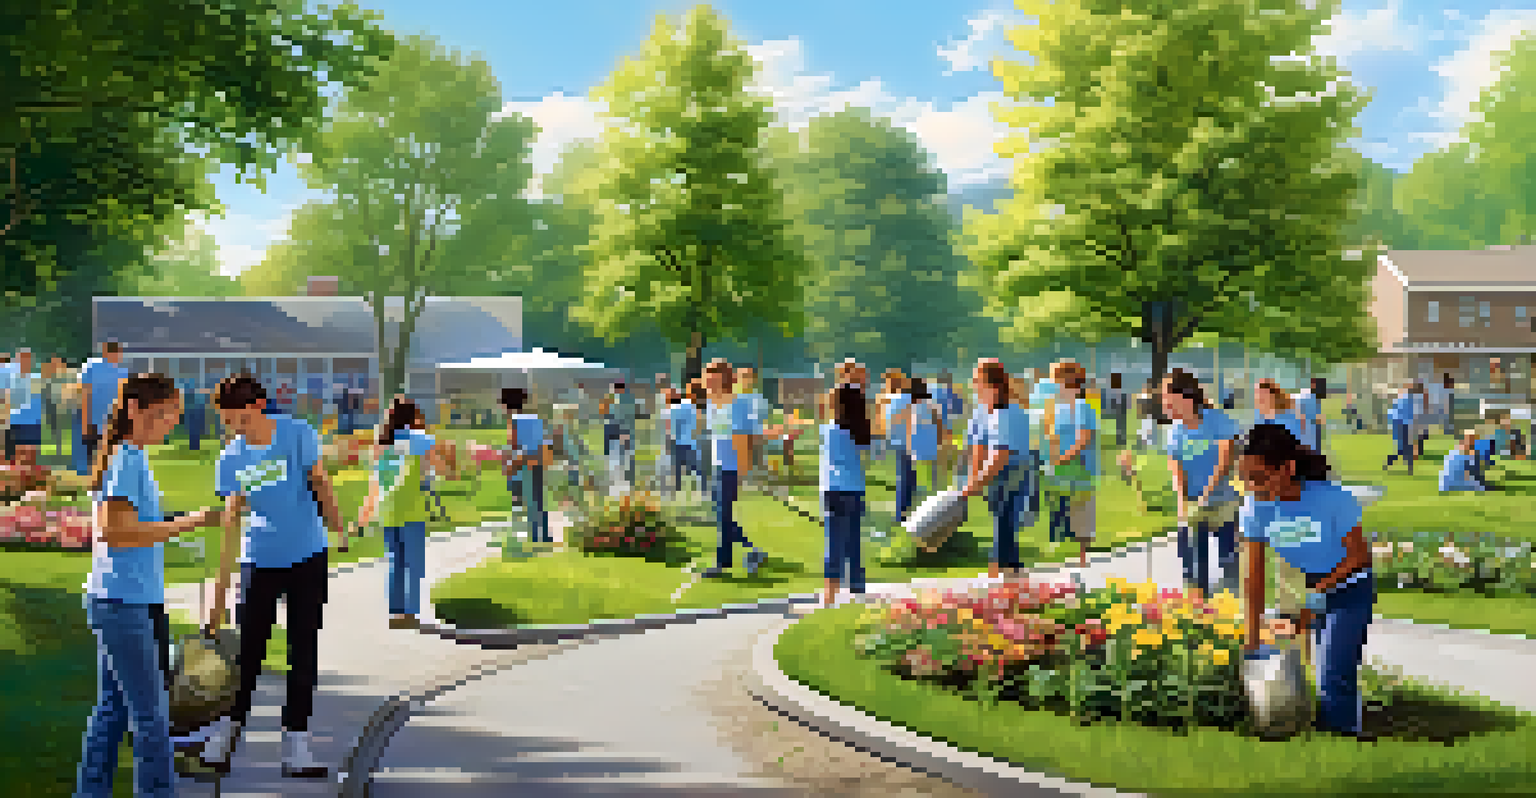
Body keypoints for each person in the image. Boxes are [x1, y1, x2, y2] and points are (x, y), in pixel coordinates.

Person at [77, 374, 221, 798]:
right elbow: (115, 532)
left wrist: (185, 520)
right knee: (152, 719)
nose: (171, 423)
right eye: (164, 414)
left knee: (112, 711)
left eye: (175, 414)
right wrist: (189, 523)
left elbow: (136, 523)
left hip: (123, 598)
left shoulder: (129, 456)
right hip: (125, 604)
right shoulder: (127, 461)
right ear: (135, 410)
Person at [199, 375, 347, 778]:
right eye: (229, 423)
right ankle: (225, 733)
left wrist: (338, 527)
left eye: (241, 421)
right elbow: (231, 517)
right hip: (259, 560)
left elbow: (320, 482)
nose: (236, 429)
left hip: (307, 556)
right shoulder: (231, 458)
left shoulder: (297, 434)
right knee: (247, 652)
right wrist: (220, 590)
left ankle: (296, 744)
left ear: (259, 406)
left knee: (303, 650)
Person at [1239, 422, 1375, 738]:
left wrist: (1319, 590)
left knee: (1332, 671)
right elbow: (1254, 575)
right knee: (1317, 665)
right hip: (1311, 585)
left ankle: (1344, 735)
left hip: (1349, 586)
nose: (1251, 485)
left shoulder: (1331, 498)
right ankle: (1329, 731)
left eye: (1259, 476)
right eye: (1245, 477)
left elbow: (1359, 556)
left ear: (1287, 468)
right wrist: (1252, 634)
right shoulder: (1255, 508)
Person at [355, 397, 451, 629]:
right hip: (412, 509)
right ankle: (410, 612)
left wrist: (365, 513)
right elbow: (442, 470)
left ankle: (395, 612)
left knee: (394, 561)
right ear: (414, 417)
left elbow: (375, 482)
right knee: (414, 564)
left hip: (387, 509)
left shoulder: (381, 444)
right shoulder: (421, 441)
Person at [1162, 369, 1242, 599]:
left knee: (1229, 561)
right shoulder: (1174, 431)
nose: (1166, 405)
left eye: (1169, 399)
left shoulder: (1215, 419)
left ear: (1185, 397)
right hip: (1194, 504)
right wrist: (1182, 502)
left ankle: (1234, 610)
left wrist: (1206, 494)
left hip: (1222, 501)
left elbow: (1225, 459)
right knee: (1193, 563)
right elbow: (1177, 469)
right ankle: (1198, 610)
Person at [958, 359, 1033, 580]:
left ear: (993, 385)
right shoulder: (983, 412)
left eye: (977, 381)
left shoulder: (1007, 413)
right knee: (1003, 520)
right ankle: (1011, 571)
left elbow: (1001, 455)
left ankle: (999, 573)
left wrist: (977, 482)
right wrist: (974, 478)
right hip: (999, 471)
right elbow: (978, 447)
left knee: (1004, 519)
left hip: (1013, 469)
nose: (974, 386)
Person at [699, 360, 766, 579]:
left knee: (723, 515)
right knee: (721, 514)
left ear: (724, 379)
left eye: (713, 376)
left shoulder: (736, 404)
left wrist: (742, 471)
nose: (708, 380)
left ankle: (723, 563)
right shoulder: (711, 403)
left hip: (731, 467)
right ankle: (752, 550)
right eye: (707, 376)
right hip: (718, 465)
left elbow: (742, 438)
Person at [821, 384, 871, 607]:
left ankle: (829, 597)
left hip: (834, 490)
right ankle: (857, 593)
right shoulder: (861, 432)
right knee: (853, 543)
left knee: (834, 544)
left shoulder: (831, 429)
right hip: (856, 489)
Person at [1043, 360, 1097, 568]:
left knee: (1080, 512)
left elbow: (1083, 439)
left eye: (1055, 379)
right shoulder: (1057, 409)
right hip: (1059, 468)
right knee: (1059, 510)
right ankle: (1064, 555)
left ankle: (1081, 558)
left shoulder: (1083, 407)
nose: (1052, 384)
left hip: (1079, 469)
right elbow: (1052, 437)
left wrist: (1062, 459)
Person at [499, 387, 553, 543]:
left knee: (529, 500)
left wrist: (508, 464)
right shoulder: (535, 418)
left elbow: (514, 444)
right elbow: (543, 440)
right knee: (539, 499)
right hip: (538, 460)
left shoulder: (514, 421)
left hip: (524, 461)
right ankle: (545, 534)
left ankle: (535, 535)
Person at [79, 341, 130, 470]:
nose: (119, 356)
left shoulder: (123, 373)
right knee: (95, 463)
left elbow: (124, 400)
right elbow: (85, 395)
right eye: (116, 352)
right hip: (95, 425)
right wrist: (85, 423)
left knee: (111, 463)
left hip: (114, 425)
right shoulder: (92, 367)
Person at [881, 370, 915, 525]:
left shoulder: (887, 401)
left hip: (896, 441)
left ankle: (902, 512)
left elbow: (883, 424)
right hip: (910, 442)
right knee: (909, 479)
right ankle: (904, 513)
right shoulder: (906, 398)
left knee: (903, 478)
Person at [903, 378, 944, 505]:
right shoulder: (932, 405)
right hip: (931, 448)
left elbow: (910, 429)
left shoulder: (913, 407)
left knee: (921, 484)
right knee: (931, 482)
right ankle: (930, 505)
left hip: (918, 449)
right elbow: (939, 425)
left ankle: (923, 508)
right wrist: (939, 442)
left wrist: (909, 447)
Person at [5, 348, 42, 467]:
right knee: (14, 458)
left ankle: (31, 481)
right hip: (15, 423)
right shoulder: (10, 380)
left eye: (27, 359)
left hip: (33, 424)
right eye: (21, 359)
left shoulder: (37, 379)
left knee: (31, 457)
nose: (24, 362)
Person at [1252, 379, 1307, 445]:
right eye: (1257, 399)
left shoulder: (1289, 418)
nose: (1258, 403)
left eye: (1262, 400)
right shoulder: (1262, 420)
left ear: (1273, 397)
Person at [1382, 382, 1416, 475]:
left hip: (1402, 425)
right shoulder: (1405, 400)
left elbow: (1393, 414)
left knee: (1404, 448)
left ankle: (1408, 466)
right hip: (1402, 425)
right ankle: (1405, 465)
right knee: (1403, 448)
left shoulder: (1404, 400)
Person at [1105, 373, 1129, 449]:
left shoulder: (1122, 394)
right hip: (1115, 415)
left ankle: (1121, 442)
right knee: (1117, 429)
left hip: (1120, 415)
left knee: (1121, 429)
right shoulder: (1109, 394)